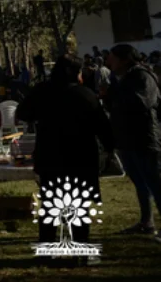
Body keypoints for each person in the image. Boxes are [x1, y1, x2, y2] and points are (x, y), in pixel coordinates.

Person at [17, 53, 113, 252]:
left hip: (51, 154)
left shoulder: (42, 91)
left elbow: (23, 113)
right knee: (79, 204)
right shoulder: (86, 95)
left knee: (51, 204)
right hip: (81, 156)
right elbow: (102, 126)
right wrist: (110, 148)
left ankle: (47, 249)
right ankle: (80, 247)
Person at [105, 43, 161, 241]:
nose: (108, 61)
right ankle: (147, 222)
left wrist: (116, 95)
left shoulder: (142, 76)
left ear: (125, 58)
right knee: (140, 183)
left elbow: (141, 103)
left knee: (155, 182)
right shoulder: (124, 78)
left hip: (144, 138)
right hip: (129, 139)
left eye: (112, 57)